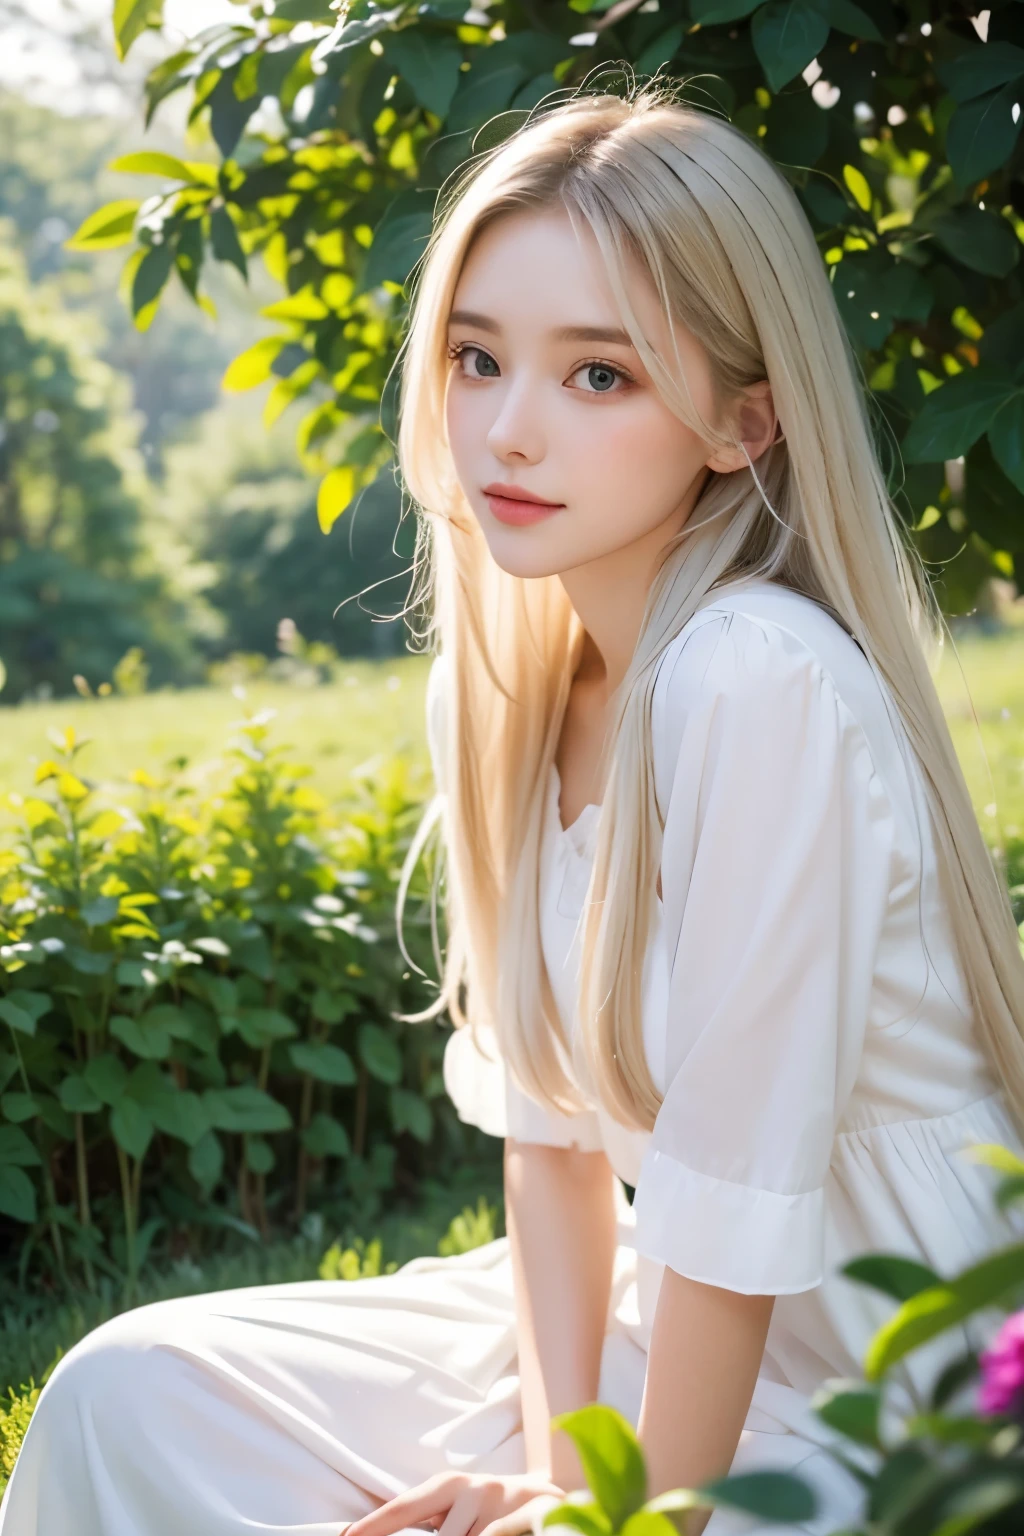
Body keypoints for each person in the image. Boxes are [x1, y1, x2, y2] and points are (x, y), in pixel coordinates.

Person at [4, 77, 1024, 1536]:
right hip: (661, 1326)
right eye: (478, 360)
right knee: (127, 1394)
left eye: (597, 375)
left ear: (744, 421)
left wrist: (622, 1525)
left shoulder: (757, 680)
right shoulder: (505, 689)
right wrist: (560, 1477)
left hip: (895, 1371)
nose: (509, 432)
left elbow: (737, 1219)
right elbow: (550, 1156)